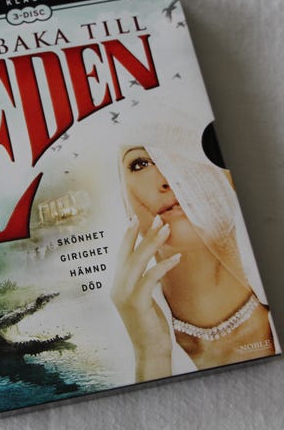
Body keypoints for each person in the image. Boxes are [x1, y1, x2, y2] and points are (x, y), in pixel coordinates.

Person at [111, 136, 277, 382]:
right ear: (124, 202)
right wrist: (151, 356)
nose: (169, 178)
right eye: (141, 164)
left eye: (186, 152)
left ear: (229, 176)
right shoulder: (113, 358)